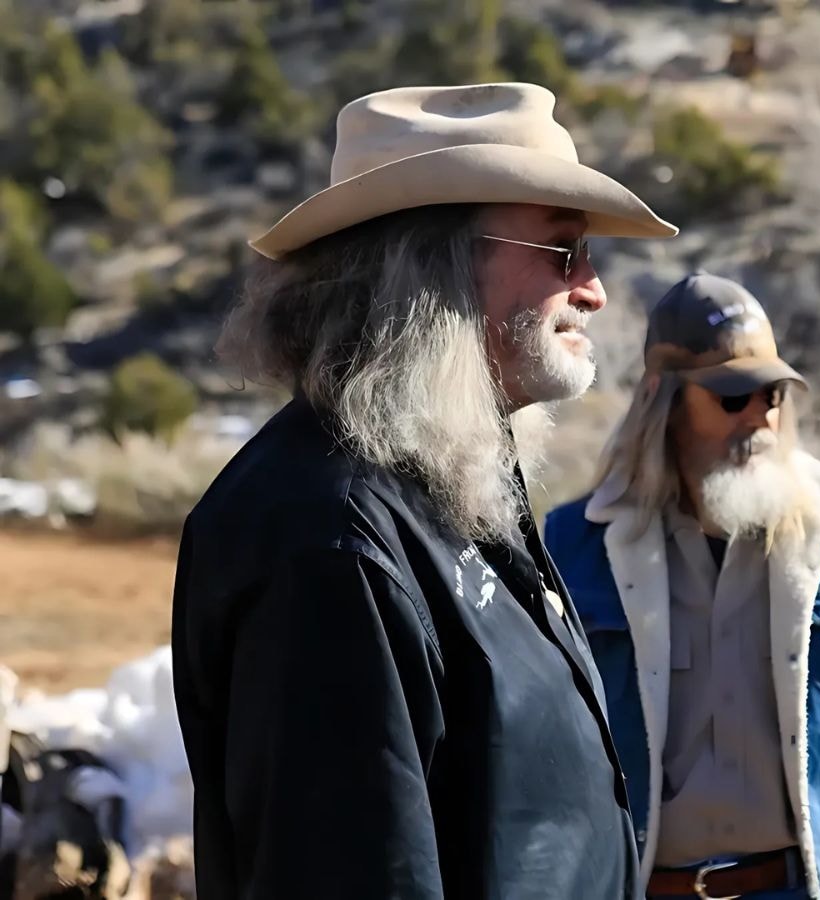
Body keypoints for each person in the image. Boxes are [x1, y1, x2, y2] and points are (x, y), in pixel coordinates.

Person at [171, 82, 677, 900]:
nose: (594, 289)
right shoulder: (329, 539)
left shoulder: (440, 478)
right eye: (563, 251)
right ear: (435, 266)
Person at [543, 274, 820, 900]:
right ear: (662, 400)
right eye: (731, 398)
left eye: (772, 394)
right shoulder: (574, 550)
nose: (759, 416)